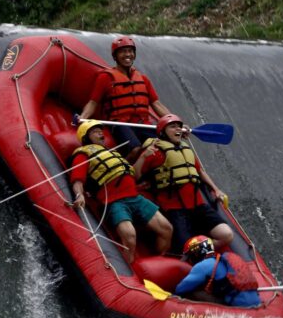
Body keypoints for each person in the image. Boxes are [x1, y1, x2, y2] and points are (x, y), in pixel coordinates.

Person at [70, 120, 172, 263]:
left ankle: (160, 262)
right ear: (86, 138)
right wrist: (79, 194)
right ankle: (129, 270)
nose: (100, 133)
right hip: (114, 202)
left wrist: (143, 156)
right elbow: (77, 179)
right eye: (95, 131)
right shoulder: (83, 154)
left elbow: (135, 175)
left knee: (167, 229)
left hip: (135, 198)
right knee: (130, 236)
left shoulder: (113, 153)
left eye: (101, 130)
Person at [135, 113, 235, 253]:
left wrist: (216, 189)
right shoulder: (155, 152)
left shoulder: (186, 149)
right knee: (183, 247)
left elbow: (201, 172)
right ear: (162, 132)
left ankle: (197, 250)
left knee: (226, 235)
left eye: (179, 127)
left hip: (198, 206)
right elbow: (136, 175)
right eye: (172, 127)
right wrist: (143, 157)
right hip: (175, 211)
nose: (177, 129)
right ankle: (193, 252)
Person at [77, 36, 173, 158]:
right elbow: (93, 103)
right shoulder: (105, 78)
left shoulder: (143, 79)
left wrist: (173, 121)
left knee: (166, 147)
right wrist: (82, 118)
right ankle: (127, 170)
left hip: (142, 124)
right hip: (119, 125)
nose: (127, 54)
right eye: (123, 51)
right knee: (135, 149)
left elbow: (156, 104)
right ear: (115, 56)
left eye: (130, 51)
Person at [173, 235, 261, 307]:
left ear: (196, 253)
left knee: (193, 293)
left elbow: (181, 289)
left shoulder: (203, 266)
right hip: (255, 302)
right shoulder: (222, 260)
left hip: (237, 306)